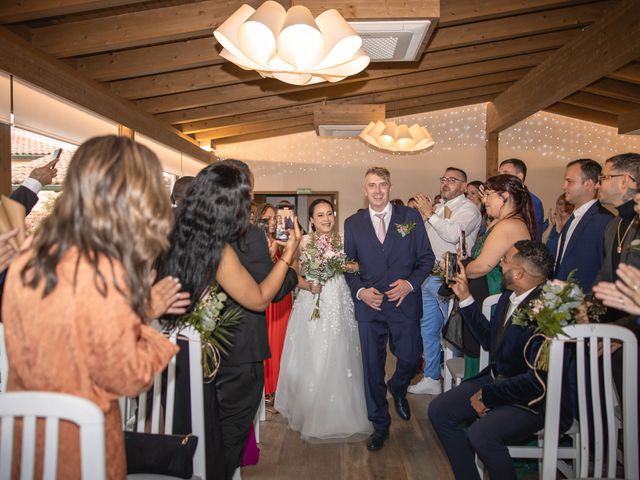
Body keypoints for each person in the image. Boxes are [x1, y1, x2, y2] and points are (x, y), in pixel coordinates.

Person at [2, 136, 187, 479]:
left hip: (26, 446)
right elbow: (128, 376)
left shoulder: (29, 256)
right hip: (82, 448)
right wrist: (153, 330)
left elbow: (72, 334)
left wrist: (140, 310)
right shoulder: (105, 269)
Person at [155, 163, 302, 480]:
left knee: (193, 440)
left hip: (179, 361)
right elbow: (261, 297)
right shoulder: (220, 247)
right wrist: (289, 255)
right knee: (224, 446)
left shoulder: (172, 237)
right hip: (231, 361)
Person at [429, 240, 574, 480]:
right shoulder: (509, 296)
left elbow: (538, 382)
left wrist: (488, 396)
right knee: (440, 410)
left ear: (518, 273)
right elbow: (490, 340)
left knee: (481, 434)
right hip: (500, 380)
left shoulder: (550, 308)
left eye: (505, 260)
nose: (500, 264)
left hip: (536, 400)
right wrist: (465, 298)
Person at [215, 159, 298, 477]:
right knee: (231, 431)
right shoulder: (245, 235)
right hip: (240, 347)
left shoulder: (193, 231)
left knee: (206, 426)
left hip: (201, 346)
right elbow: (269, 294)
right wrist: (290, 256)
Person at [344, 166, 434, 451]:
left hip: (404, 303)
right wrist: (360, 291)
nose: (378, 190)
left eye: (383, 184)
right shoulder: (352, 224)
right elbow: (347, 266)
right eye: (372, 185)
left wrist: (410, 285)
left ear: (390, 187)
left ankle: (398, 387)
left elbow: (427, 259)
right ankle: (379, 425)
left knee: (409, 358)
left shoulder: (410, 218)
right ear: (364, 189)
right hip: (370, 308)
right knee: (372, 368)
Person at [276, 198, 372, 441]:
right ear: (311, 219)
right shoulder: (304, 242)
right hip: (313, 302)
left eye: (329, 214)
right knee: (315, 352)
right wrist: (308, 284)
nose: (326, 219)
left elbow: (359, 265)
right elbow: (289, 272)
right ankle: (312, 410)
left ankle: (343, 409)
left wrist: (343, 266)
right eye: (320, 215)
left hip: (340, 300)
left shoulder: (344, 239)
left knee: (341, 351)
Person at [409, 167, 482, 395]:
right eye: (443, 179)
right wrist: (422, 218)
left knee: (452, 334)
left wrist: (429, 214)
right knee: (428, 330)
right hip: (428, 277)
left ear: (463, 185)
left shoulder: (469, 210)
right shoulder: (439, 208)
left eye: (452, 180)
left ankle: (457, 383)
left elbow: (452, 235)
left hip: (449, 280)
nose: (446, 183)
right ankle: (431, 377)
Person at [463, 174, 534, 376]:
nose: (484, 200)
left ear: (504, 196)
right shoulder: (500, 221)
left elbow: (483, 266)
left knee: (483, 353)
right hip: (483, 290)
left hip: (492, 296)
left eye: (488, 195)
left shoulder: (509, 225)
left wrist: (459, 271)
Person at [254, 202, 294, 400]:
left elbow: (292, 269)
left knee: (282, 344)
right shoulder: (257, 242)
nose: (271, 222)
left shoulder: (281, 240)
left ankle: (280, 387)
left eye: (274, 218)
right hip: (267, 299)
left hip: (283, 298)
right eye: (267, 218)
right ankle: (267, 389)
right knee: (269, 342)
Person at [554, 159, 612, 292]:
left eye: (570, 181)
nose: (564, 186)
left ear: (588, 184)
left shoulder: (604, 221)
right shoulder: (572, 217)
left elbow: (604, 269)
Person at [498, 158, 544, 241]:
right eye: (499, 173)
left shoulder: (532, 201)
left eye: (505, 173)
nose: (500, 177)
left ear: (519, 177)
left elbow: (532, 234)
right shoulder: (501, 197)